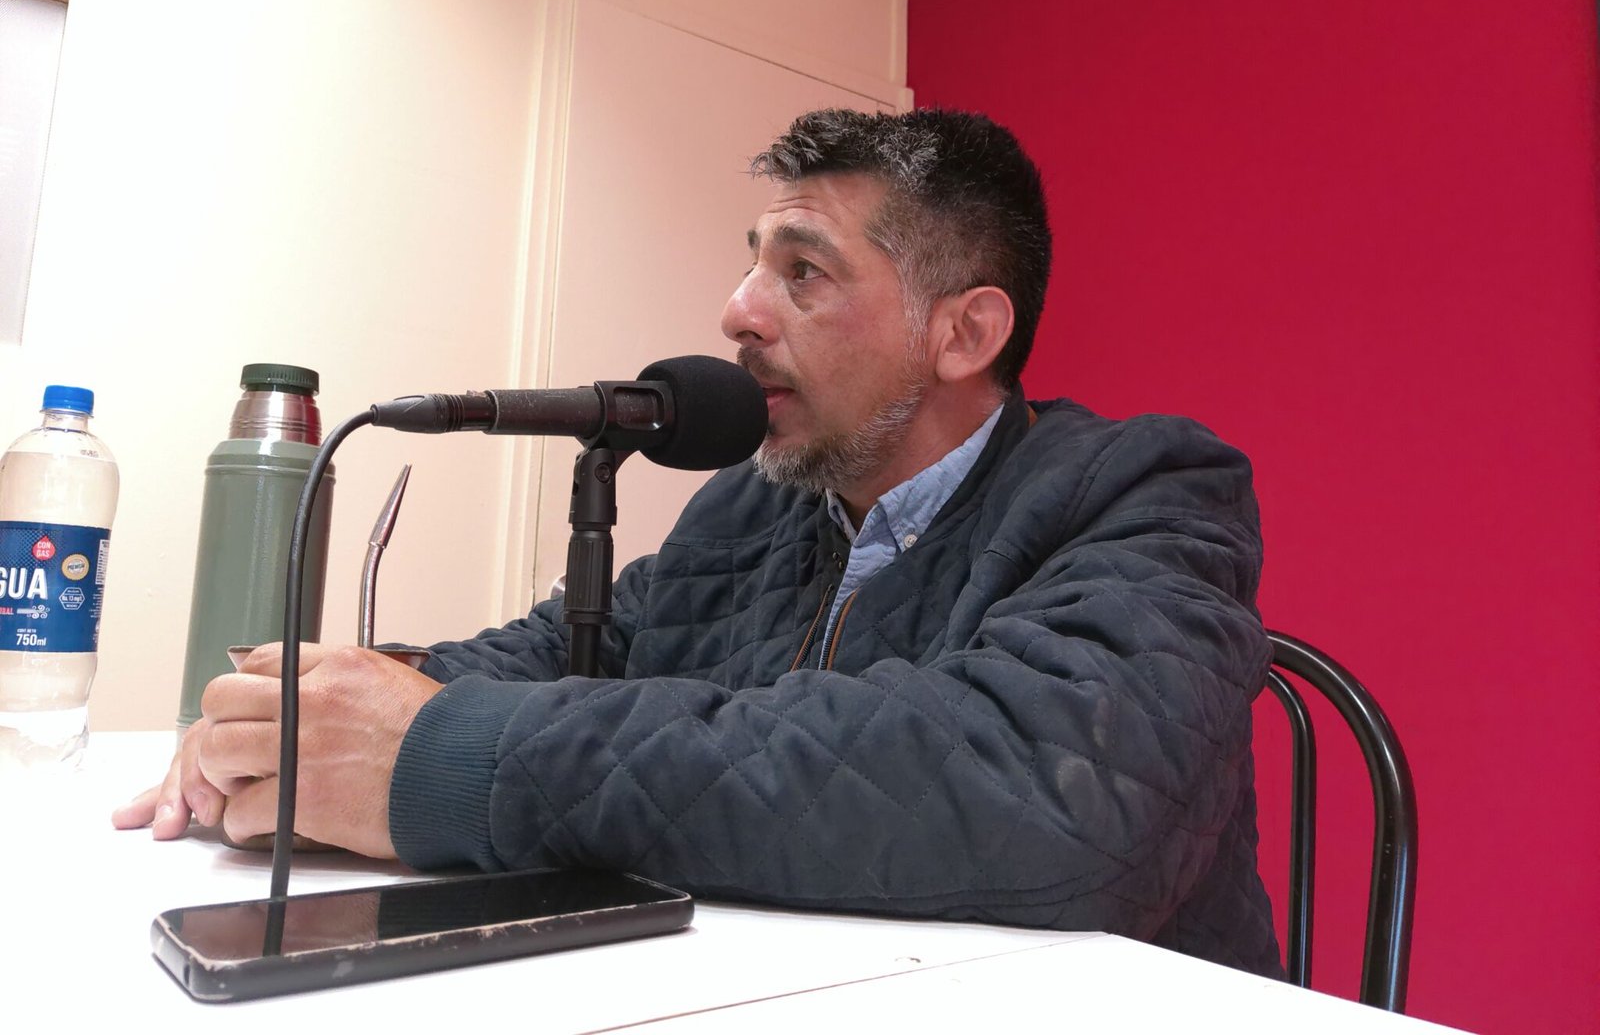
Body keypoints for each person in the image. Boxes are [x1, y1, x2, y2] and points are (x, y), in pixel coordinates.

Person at [116, 108, 1282, 977]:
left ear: (964, 332)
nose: (737, 309)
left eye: (802, 271)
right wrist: (327, 712)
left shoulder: (1147, 489)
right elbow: (571, 651)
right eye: (751, 260)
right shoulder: (754, 501)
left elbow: (1047, 794)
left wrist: (448, 759)